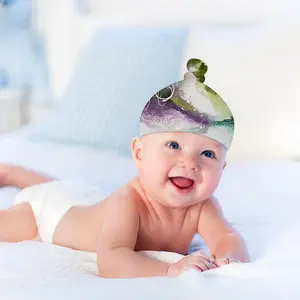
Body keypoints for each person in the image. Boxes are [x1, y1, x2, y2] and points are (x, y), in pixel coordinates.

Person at [0, 58, 249, 278]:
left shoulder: (204, 206)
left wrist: (227, 258)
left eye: (207, 154)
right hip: (49, 217)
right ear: (140, 153)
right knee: (27, 213)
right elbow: (112, 261)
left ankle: (12, 173)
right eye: (173, 145)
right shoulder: (128, 201)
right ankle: (9, 172)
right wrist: (169, 270)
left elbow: (227, 238)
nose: (190, 163)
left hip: (83, 197)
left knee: (64, 189)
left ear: (222, 167)